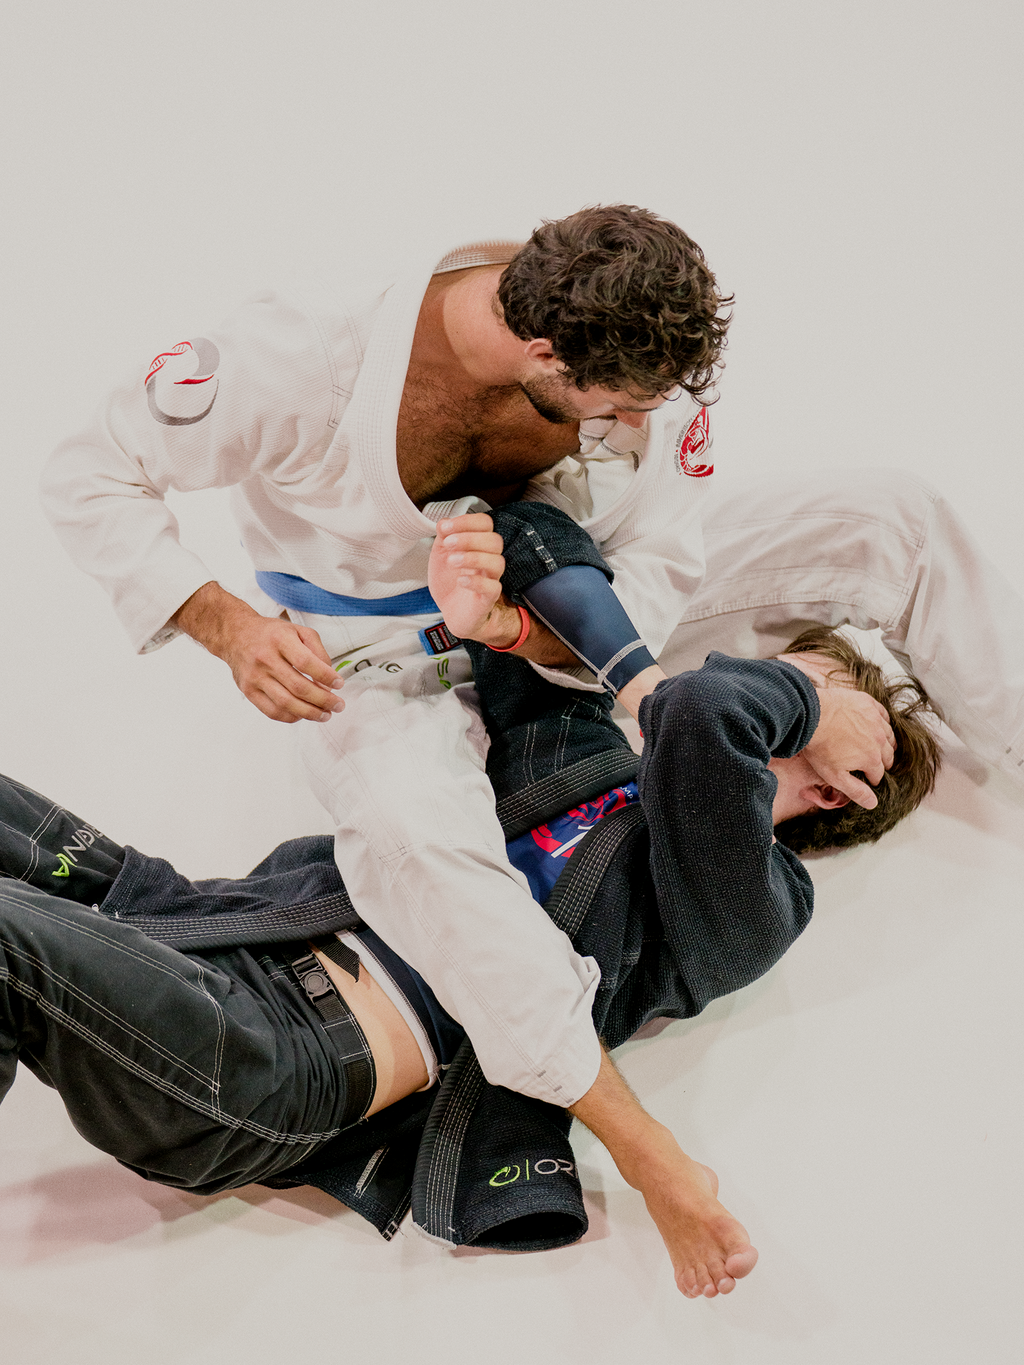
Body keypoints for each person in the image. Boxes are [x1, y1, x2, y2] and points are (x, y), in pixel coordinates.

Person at [40, 206, 899, 1118]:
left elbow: (662, 562)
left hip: (569, 609)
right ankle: (629, 1138)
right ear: (539, 354)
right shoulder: (306, 359)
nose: (648, 418)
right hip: (370, 657)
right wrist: (229, 627)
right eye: (620, 406)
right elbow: (90, 471)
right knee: (418, 841)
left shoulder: (636, 368)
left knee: (891, 518)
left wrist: (522, 633)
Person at [0, 505, 940, 1298]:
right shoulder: (585, 757)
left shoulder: (759, 903)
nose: (748, 680)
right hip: (201, 928)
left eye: (800, 700)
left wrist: (819, 709)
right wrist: (492, 608)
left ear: (835, 786)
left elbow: (702, 716)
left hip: (283, 1056)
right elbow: (526, 535)